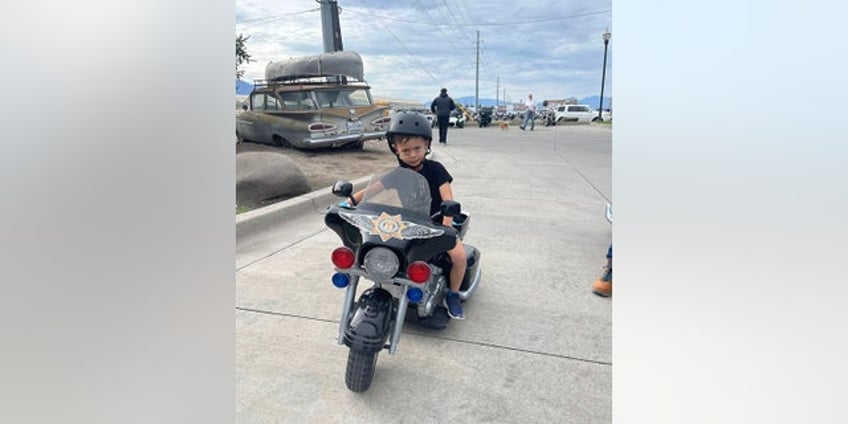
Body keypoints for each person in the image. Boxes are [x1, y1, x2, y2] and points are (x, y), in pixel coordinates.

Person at [348, 111, 468, 319]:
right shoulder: (396, 174)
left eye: (417, 148)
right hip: (406, 224)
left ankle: (454, 294)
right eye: (406, 150)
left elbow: (447, 196)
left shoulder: (436, 169)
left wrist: (446, 223)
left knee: (459, 256)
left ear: (426, 145)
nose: (412, 154)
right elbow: (371, 191)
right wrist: (348, 202)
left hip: (436, 223)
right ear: (395, 149)